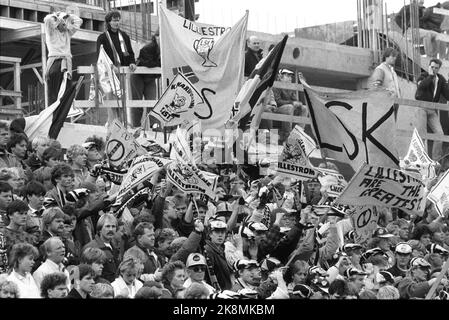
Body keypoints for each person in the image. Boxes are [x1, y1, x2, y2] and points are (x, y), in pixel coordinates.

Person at [96, 10, 136, 125]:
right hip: (108, 74)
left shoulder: (124, 36)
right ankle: (113, 124)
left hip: (122, 72)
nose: (116, 22)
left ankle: (123, 124)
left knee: (122, 99)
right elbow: (100, 57)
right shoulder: (102, 38)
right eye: (114, 20)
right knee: (112, 100)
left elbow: (130, 53)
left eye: (118, 20)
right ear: (108, 22)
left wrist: (132, 63)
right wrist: (111, 66)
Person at [43, 9, 82, 106]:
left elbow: (78, 21)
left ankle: (63, 112)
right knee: (54, 92)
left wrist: (68, 15)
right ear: (57, 23)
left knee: (66, 90)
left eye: (65, 22)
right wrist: (58, 16)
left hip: (66, 61)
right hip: (55, 61)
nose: (65, 24)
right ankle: (53, 112)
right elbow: (47, 19)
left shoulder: (67, 32)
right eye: (63, 22)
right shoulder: (51, 32)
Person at [415, 58, 449, 161]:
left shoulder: (441, 79)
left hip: (432, 110)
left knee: (440, 135)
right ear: (429, 66)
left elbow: (447, 96)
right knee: (422, 135)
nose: (434, 69)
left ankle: (436, 161)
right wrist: (430, 76)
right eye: (432, 67)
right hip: (422, 108)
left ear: (439, 69)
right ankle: (419, 160)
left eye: (436, 68)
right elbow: (420, 89)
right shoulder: (423, 76)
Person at [131, 34, 161, 128]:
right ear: (156, 37)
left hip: (150, 78)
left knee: (152, 103)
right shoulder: (148, 47)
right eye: (160, 36)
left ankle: (155, 126)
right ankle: (136, 127)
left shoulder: (165, 49)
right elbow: (146, 62)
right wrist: (160, 64)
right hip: (138, 77)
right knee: (137, 103)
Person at [82, 213, 120, 283]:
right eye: (107, 226)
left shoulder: (114, 247)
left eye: (113, 226)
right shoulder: (91, 247)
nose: (111, 229)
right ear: (100, 229)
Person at [204, 219, 233, 291]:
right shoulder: (208, 250)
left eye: (222, 232)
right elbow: (209, 276)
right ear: (210, 234)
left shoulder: (224, 248)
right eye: (216, 232)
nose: (220, 235)